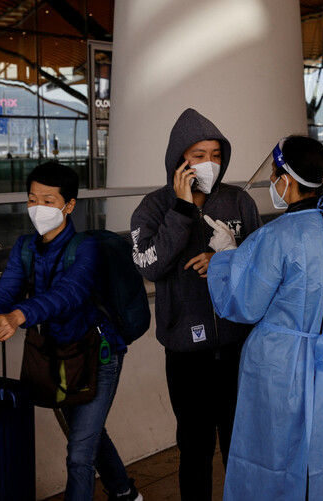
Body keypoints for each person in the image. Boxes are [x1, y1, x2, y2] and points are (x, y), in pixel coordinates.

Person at [0, 162, 142, 501]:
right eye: (32, 199)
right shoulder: (24, 248)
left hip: (99, 354)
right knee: (88, 435)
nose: (38, 208)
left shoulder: (85, 248)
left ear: (69, 205)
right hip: (57, 357)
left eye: (48, 201)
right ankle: (124, 493)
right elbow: (2, 300)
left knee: (79, 454)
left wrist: (20, 315)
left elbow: (70, 293)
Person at [206, 136, 323, 501]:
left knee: (271, 455)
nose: (271, 181)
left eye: (274, 173)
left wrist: (226, 256)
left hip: (280, 366)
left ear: (287, 179)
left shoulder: (276, 236)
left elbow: (242, 304)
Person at [129, 108, 262, 500]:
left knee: (241, 446)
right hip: (187, 353)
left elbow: (263, 266)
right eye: (199, 155)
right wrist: (183, 209)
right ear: (179, 160)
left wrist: (228, 259)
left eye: (216, 154)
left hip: (239, 346)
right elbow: (148, 265)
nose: (210, 163)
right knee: (195, 448)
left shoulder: (239, 202)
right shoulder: (153, 207)